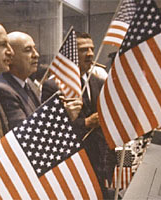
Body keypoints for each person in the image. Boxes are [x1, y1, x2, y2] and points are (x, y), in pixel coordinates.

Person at [41, 32, 115, 197]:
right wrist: (86, 123)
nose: (90, 54)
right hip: (73, 165)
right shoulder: (53, 87)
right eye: (83, 50)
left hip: (100, 163)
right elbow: (50, 129)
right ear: (71, 56)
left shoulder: (99, 82)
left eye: (92, 49)